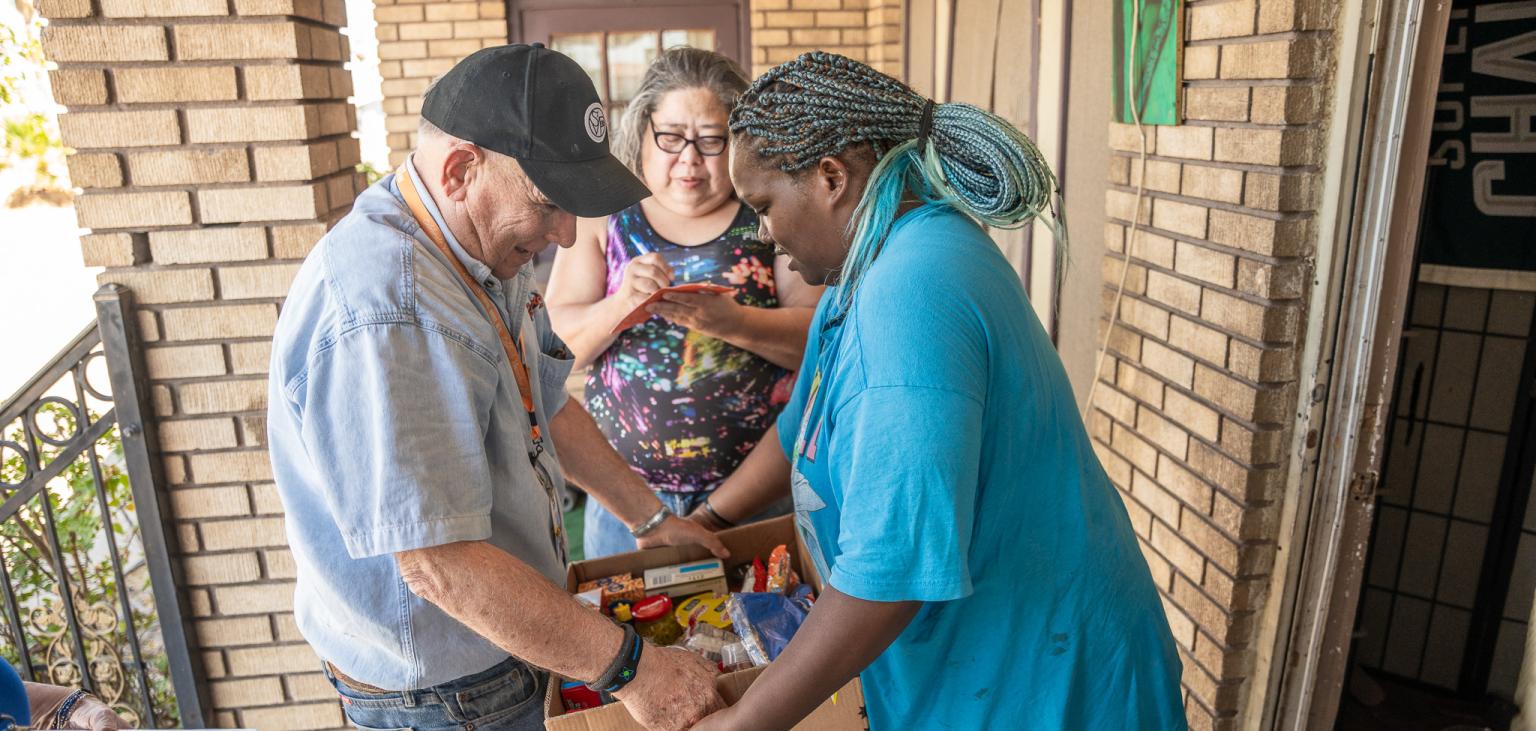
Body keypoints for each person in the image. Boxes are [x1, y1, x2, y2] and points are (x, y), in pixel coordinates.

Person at [692, 52, 1187, 730]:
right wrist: (709, 522)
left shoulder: (911, 292)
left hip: (1038, 679)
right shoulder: (861, 273)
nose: (763, 233)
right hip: (975, 666)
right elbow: (798, 429)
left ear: (831, 177)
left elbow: (889, 568)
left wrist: (745, 722)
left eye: (764, 206)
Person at [267, 45, 729, 731]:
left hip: (515, 638)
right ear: (460, 170)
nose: (566, 236)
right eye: (549, 206)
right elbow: (439, 565)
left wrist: (652, 518)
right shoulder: (388, 308)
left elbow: (547, 404)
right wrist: (633, 668)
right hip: (445, 694)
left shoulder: (474, 240)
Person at [547, 48, 822, 558]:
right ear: (643, 132)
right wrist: (623, 301)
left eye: (712, 140)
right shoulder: (605, 218)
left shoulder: (768, 216)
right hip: (627, 502)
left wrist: (733, 323)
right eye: (671, 137)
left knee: (762, 631)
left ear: (739, 142)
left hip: (754, 499)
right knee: (631, 632)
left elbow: (820, 343)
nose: (689, 159)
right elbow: (556, 347)